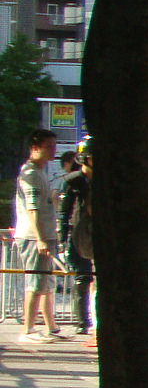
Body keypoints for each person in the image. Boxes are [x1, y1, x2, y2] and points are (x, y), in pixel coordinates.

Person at [12, 129, 63, 341]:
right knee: (35, 283)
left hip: (44, 234)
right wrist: (40, 237)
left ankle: (50, 326)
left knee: (45, 283)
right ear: (35, 148)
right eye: (49, 146)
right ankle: (28, 329)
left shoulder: (41, 171)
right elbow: (32, 208)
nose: (54, 150)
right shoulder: (30, 173)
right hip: (34, 237)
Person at [59, 143, 93, 335]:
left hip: (99, 232)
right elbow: (65, 212)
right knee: (82, 277)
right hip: (79, 234)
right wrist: (62, 237)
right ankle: (82, 321)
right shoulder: (74, 181)